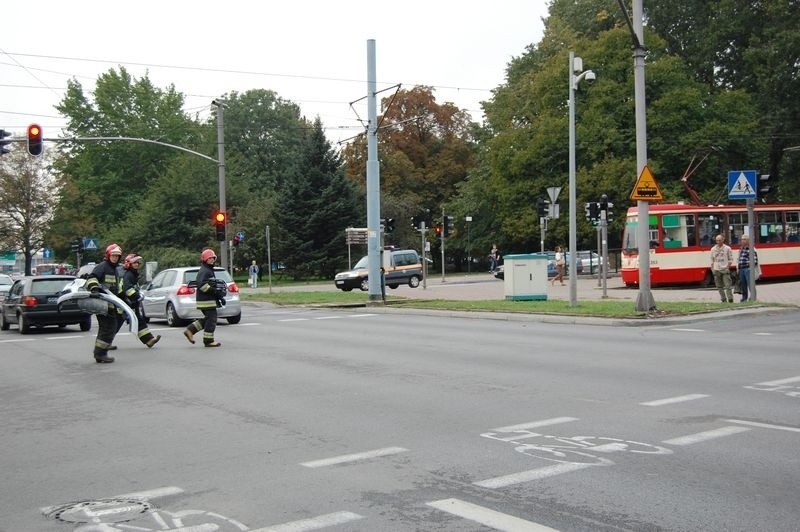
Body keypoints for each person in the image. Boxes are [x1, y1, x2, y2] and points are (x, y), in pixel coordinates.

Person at [85, 243, 125, 363]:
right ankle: (101, 353)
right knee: (109, 327)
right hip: (102, 303)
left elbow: (114, 287)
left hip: (110, 303)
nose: (115, 258)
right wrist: (95, 288)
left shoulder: (114, 269)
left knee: (107, 328)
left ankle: (99, 353)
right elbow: (92, 277)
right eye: (113, 256)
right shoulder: (103, 266)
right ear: (108, 255)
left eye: (117, 256)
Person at [183, 248, 224, 347]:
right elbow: (202, 285)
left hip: (207, 300)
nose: (212, 260)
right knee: (212, 319)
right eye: (210, 258)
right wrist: (216, 291)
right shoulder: (205, 271)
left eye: (213, 258)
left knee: (208, 319)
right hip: (206, 301)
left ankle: (190, 330)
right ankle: (208, 340)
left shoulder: (207, 270)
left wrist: (219, 297)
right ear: (205, 259)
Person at [121, 254, 161, 347]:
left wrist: (137, 296)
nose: (136, 264)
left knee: (138, 320)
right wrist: (136, 295)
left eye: (137, 262)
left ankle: (149, 340)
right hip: (127, 303)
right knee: (115, 325)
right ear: (129, 264)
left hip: (132, 303)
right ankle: (106, 342)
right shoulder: (129, 275)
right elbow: (127, 289)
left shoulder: (133, 274)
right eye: (134, 263)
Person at [710, 234, 734, 302]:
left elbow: (731, 259)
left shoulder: (727, 248)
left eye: (719, 240)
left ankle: (730, 299)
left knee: (728, 286)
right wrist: (713, 269)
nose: (718, 242)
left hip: (724, 269)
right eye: (717, 240)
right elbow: (712, 260)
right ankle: (723, 299)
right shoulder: (713, 249)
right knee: (719, 286)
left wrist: (727, 266)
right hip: (716, 269)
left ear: (723, 240)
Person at [736, 235, 758, 303]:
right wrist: (738, 267)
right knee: (743, 285)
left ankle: (753, 298)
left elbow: (755, 260)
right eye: (742, 239)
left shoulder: (751, 249)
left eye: (744, 239)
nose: (742, 241)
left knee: (750, 284)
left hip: (748, 269)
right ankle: (744, 298)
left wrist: (750, 268)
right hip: (741, 269)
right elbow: (739, 258)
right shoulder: (741, 248)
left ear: (748, 240)